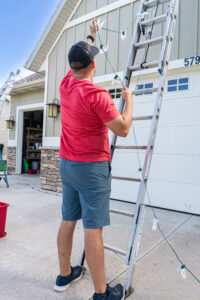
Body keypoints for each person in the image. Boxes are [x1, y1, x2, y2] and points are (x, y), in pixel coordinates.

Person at [54, 20, 133, 300]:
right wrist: (129, 101)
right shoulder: (98, 96)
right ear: (93, 67)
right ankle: (102, 294)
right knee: (92, 229)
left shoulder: (65, 85)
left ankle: (65, 275)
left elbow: (82, 53)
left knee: (68, 219)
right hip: (91, 169)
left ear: (73, 66)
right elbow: (122, 129)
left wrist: (91, 35)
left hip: (67, 165)